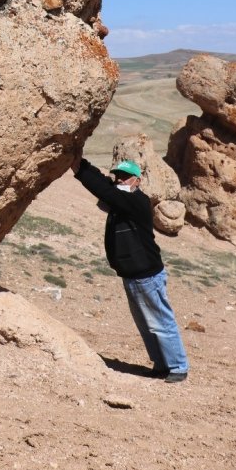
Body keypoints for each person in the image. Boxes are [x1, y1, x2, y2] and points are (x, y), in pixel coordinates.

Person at [70, 154, 189, 383]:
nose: (120, 180)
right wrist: (83, 165)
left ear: (137, 180)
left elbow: (105, 191)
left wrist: (80, 171)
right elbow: (105, 185)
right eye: (118, 177)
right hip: (132, 275)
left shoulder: (136, 201)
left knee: (160, 322)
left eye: (126, 177)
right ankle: (161, 365)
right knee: (146, 325)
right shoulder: (120, 198)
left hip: (147, 275)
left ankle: (178, 366)